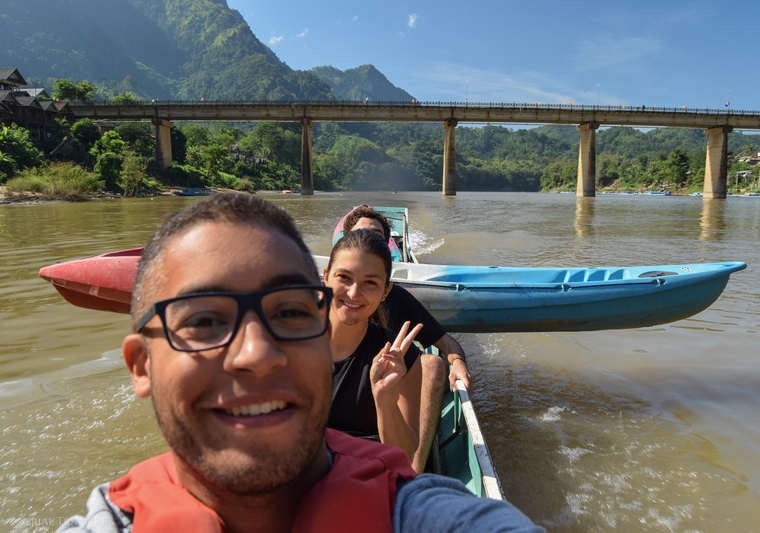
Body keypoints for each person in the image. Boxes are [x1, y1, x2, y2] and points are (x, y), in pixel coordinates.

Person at [56, 194, 543, 532]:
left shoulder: (408, 510)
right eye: (205, 321)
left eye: (287, 313)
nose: (256, 354)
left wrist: (398, 390)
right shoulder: (116, 520)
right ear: (141, 365)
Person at [340, 206, 473, 473]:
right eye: (359, 234)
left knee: (433, 364)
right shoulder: (330, 302)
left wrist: (458, 363)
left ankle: (413, 470)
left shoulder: (396, 298)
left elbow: (445, 342)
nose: (355, 294)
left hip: (390, 389)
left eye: (376, 236)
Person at [323, 229, 424, 462]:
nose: (354, 293)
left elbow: (404, 454)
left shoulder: (400, 359)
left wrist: (384, 396)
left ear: (385, 291)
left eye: (370, 282)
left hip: (367, 476)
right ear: (326, 277)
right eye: (344, 277)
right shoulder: (289, 343)